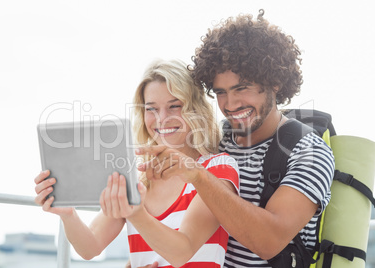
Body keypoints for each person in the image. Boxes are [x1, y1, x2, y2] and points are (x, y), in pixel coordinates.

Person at [136, 10, 335, 267]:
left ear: (275, 82)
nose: (230, 104)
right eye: (221, 92)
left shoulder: (309, 152)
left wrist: (199, 175)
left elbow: (268, 241)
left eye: (242, 88)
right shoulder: (216, 140)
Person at [34, 59, 240, 267]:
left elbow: (182, 252)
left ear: (195, 109)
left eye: (174, 106)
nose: (162, 118)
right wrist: (67, 213)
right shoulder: (136, 178)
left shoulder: (218, 168)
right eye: (151, 109)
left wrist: (137, 213)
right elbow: (90, 247)